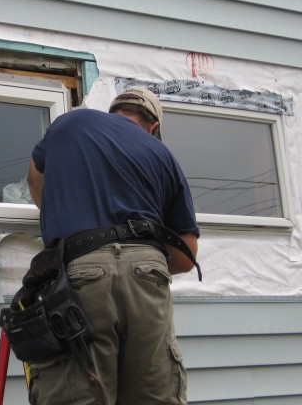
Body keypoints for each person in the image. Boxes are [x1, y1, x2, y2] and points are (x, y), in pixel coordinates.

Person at [26, 86, 199, 405]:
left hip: (81, 265)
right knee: (153, 395)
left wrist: (64, 214)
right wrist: (146, 265)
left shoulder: (71, 123)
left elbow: (35, 181)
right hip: (149, 270)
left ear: (113, 113)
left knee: (78, 392)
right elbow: (186, 255)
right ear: (153, 126)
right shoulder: (162, 154)